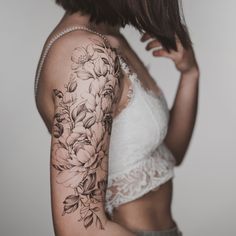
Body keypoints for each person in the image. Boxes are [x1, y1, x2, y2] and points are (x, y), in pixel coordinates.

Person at [34, 0, 199, 235]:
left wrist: (189, 72)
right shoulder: (87, 55)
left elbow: (169, 154)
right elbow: (78, 229)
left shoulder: (108, 36)